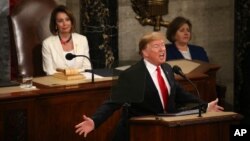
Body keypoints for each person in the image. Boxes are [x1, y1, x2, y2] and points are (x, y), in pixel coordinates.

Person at [75, 32, 223, 141]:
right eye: (156, 46)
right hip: (139, 133)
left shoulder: (167, 69)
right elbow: (112, 102)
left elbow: (180, 94)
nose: (162, 49)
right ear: (144, 53)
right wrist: (95, 120)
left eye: (163, 45)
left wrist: (205, 106)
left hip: (165, 131)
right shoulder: (133, 74)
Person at [42, 5, 91, 75]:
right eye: (60, 21)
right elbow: (49, 72)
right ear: (55, 24)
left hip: (80, 82)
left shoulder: (82, 40)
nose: (64, 24)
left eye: (67, 19)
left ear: (71, 22)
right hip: (58, 83)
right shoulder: (47, 43)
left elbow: (87, 68)